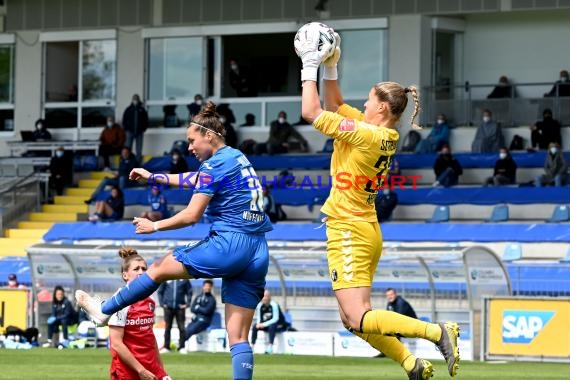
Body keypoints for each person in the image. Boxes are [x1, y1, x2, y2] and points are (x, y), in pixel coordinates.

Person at [295, 27, 459, 379]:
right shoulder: (382, 132)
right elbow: (336, 104)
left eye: (369, 100)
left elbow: (311, 110)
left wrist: (310, 64)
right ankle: (411, 364)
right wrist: (332, 66)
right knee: (351, 319)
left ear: (381, 108)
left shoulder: (367, 133)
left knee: (358, 316)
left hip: (350, 230)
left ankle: (436, 332)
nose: (365, 103)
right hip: (361, 227)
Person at [76, 101, 273, 380]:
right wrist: (153, 176)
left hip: (231, 244)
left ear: (209, 135)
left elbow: (192, 215)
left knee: (157, 267)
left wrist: (154, 225)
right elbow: (196, 178)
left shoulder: (214, 164)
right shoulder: (236, 157)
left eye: (191, 141)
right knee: (238, 336)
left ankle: (104, 311)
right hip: (258, 250)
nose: (189, 148)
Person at [108, 247, 170, 380]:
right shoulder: (118, 302)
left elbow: (150, 337)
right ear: (125, 275)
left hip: (151, 369)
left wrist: (161, 370)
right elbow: (116, 343)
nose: (141, 272)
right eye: (136, 269)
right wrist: (140, 370)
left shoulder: (150, 301)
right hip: (127, 371)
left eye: (144, 269)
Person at [179, 279, 217, 354]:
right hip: (196, 319)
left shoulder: (212, 300)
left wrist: (198, 307)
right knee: (186, 329)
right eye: (205, 286)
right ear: (203, 287)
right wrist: (200, 309)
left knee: (191, 330)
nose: (207, 288)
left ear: (211, 287)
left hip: (205, 321)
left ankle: (181, 346)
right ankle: (180, 346)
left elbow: (207, 311)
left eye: (208, 286)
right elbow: (192, 308)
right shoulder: (198, 297)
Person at [157, 279, 193, 353]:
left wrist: (187, 304)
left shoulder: (184, 279)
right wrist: (162, 303)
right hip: (168, 308)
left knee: (182, 327)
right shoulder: (167, 278)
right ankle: (166, 347)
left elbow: (189, 291)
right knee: (167, 327)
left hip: (180, 308)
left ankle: (182, 347)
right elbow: (160, 291)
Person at [251, 290, 290, 354]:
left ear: (269, 297)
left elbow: (275, 318)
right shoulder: (260, 306)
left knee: (272, 325)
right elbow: (259, 317)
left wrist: (264, 324)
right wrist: (259, 324)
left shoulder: (274, 305)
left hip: (279, 325)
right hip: (266, 325)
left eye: (266, 296)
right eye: (263, 296)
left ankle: (270, 347)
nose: (264, 298)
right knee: (255, 326)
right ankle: (252, 346)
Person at [122, 94, 149, 162]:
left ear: (138, 100)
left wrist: (144, 128)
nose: (135, 100)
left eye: (136, 99)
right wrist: (126, 129)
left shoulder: (142, 110)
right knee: (127, 148)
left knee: (139, 150)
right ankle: (127, 162)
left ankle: (137, 164)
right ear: (132, 100)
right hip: (129, 132)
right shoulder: (128, 109)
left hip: (139, 132)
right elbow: (124, 120)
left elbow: (146, 120)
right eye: (134, 99)